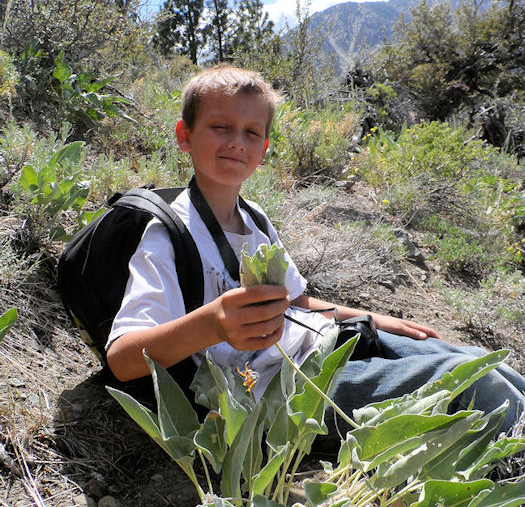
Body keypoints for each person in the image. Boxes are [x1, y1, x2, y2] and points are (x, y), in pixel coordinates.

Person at [106, 65, 525, 434]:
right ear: (185, 135)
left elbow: (294, 302)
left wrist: (375, 320)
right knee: (475, 383)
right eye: (220, 126)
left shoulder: (255, 218)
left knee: (485, 361)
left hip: (318, 346)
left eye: (251, 132)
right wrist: (214, 324)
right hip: (275, 392)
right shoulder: (169, 235)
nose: (237, 142)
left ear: (263, 150)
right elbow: (123, 360)